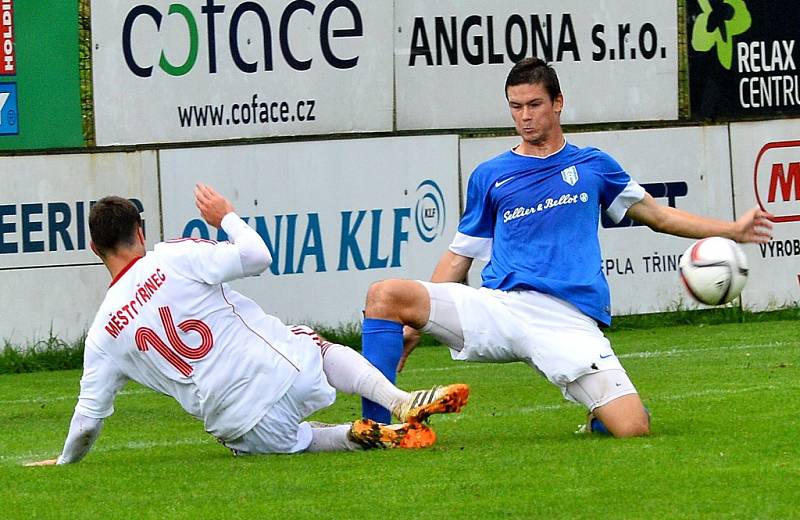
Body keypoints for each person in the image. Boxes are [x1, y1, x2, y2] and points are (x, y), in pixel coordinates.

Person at [359, 57, 774, 436]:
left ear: (558, 103)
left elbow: (659, 216)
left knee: (632, 428)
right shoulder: (490, 175)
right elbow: (460, 255)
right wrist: (417, 322)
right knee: (385, 295)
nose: (525, 116)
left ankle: (598, 410)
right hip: (501, 307)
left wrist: (732, 231)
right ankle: (377, 431)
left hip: (567, 319)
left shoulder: (593, 165)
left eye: (534, 104)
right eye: (515, 106)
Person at [28, 185, 469, 466]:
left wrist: (65, 460)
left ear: (92, 247)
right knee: (313, 344)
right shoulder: (172, 256)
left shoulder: (103, 332)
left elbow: (88, 421)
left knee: (284, 440)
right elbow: (257, 257)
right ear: (140, 233)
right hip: (286, 373)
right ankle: (398, 400)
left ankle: (359, 437)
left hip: (239, 422)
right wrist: (226, 218)